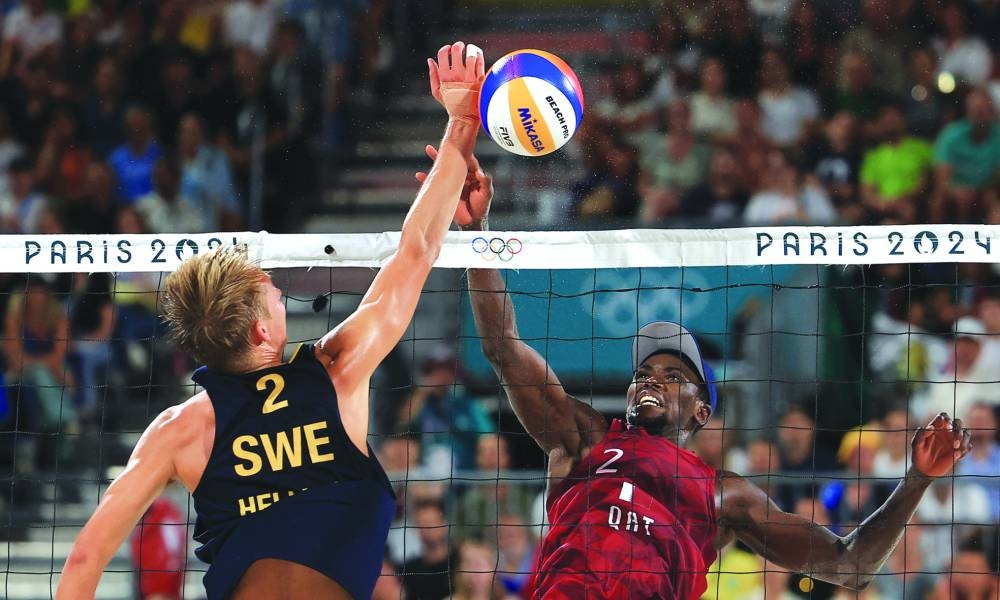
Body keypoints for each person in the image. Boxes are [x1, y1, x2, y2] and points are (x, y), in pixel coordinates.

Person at [56, 40, 486, 600]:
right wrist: (460, 122)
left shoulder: (177, 431)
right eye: (274, 296)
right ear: (261, 330)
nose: (282, 294)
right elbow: (417, 250)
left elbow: (86, 556)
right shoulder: (333, 372)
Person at [454, 153, 973, 598]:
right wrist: (476, 237)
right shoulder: (586, 438)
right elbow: (503, 348)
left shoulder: (725, 494)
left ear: (702, 411)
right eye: (644, 372)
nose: (652, 379)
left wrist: (917, 480)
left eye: (673, 375)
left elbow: (852, 565)